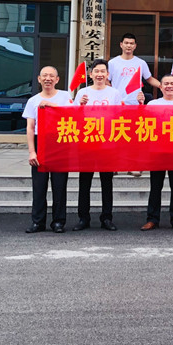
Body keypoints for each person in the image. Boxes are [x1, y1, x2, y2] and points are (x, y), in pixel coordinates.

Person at [71, 59, 139, 232]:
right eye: (97, 71)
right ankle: (83, 218)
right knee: (84, 182)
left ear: (108, 74)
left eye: (103, 71)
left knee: (107, 181)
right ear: (91, 74)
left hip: (107, 143)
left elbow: (119, 116)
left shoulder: (114, 93)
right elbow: (74, 118)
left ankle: (107, 218)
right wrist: (81, 106)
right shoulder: (82, 92)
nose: (100, 74)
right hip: (87, 142)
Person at [22, 66, 72, 233]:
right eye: (44, 76)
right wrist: (32, 151)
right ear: (39, 79)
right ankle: (38, 222)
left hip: (60, 142)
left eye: (51, 76)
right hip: (40, 142)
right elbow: (30, 127)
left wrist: (50, 104)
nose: (48, 78)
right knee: (39, 185)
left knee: (59, 185)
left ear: (57, 79)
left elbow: (71, 115)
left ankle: (58, 222)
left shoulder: (65, 96)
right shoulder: (33, 101)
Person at [141, 74, 173, 231]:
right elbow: (143, 123)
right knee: (155, 186)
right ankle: (152, 219)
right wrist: (141, 106)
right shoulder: (153, 104)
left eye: (172, 83)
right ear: (161, 87)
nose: (169, 86)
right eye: (166, 83)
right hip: (157, 151)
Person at [108, 32, 161, 176]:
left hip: (136, 105)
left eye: (131, 43)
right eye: (126, 43)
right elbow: (107, 81)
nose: (128, 46)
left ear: (135, 46)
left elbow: (149, 79)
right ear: (121, 45)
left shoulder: (140, 63)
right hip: (117, 105)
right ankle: (115, 166)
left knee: (134, 137)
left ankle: (132, 166)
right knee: (117, 136)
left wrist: (163, 86)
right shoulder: (112, 63)